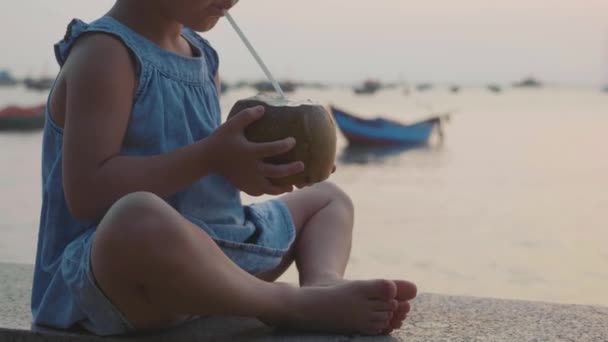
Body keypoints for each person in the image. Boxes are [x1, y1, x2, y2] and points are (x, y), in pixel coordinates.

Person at [32, 0, 417, 337]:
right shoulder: (105, 54)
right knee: (137, 217)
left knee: (329, 200)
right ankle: (289, 305)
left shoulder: (202, 55)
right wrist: (210, 157)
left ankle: (321, 285)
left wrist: (245, 170)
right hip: (116, 277)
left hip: (219, 262)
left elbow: (198, 176)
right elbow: (86, 193)